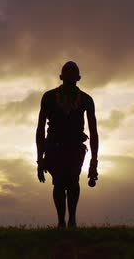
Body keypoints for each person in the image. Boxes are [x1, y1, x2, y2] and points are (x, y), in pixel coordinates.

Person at [35, 61, 99, 228]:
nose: (70, 73)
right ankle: (61, 221)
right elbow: (40, 128)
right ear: (60, 76)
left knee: (73, 181)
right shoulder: (48, 97)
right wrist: (39, 159)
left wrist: (94, 162)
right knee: (59, 182)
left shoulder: (86, 99)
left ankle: (72, 220)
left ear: (79, 77)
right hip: (54, 147)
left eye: (74, 71)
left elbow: (93, 132)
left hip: (76, 147)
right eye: (66, 70)